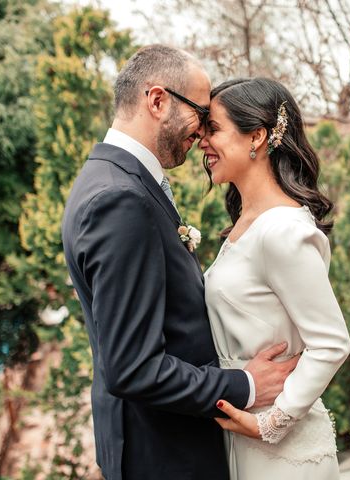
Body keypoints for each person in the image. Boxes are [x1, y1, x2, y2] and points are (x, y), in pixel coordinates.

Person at [61, 46, 298, 480]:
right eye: (200, 113)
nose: (204, 131)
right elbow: (133, 367)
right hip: (164, 454)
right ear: (157, 101)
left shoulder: (109, 180)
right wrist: (243, 386)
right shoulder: (121, 198)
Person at [198, 78, 350, 480]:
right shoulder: (246, 226)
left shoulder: (283, 231)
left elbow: (332, 343)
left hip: (283, 454)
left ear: (258, 137)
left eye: (212, 129)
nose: (202, 142)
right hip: (242, 435)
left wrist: (272, 423)